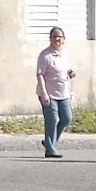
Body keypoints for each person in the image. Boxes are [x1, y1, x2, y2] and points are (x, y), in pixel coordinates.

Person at [36, 26, 76, 158]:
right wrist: (44, 94)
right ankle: (50, 150)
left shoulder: (64, 53)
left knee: (66, 118)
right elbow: (40, 75)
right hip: (48, 93)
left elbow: (65, 68)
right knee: (52, 120)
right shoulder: (45, 55)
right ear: (50, 39)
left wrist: (71, 72)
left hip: (63, 92)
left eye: (59, 37)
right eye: (54, 36)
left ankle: (50, 143)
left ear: (63, 39)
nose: (57, 39)